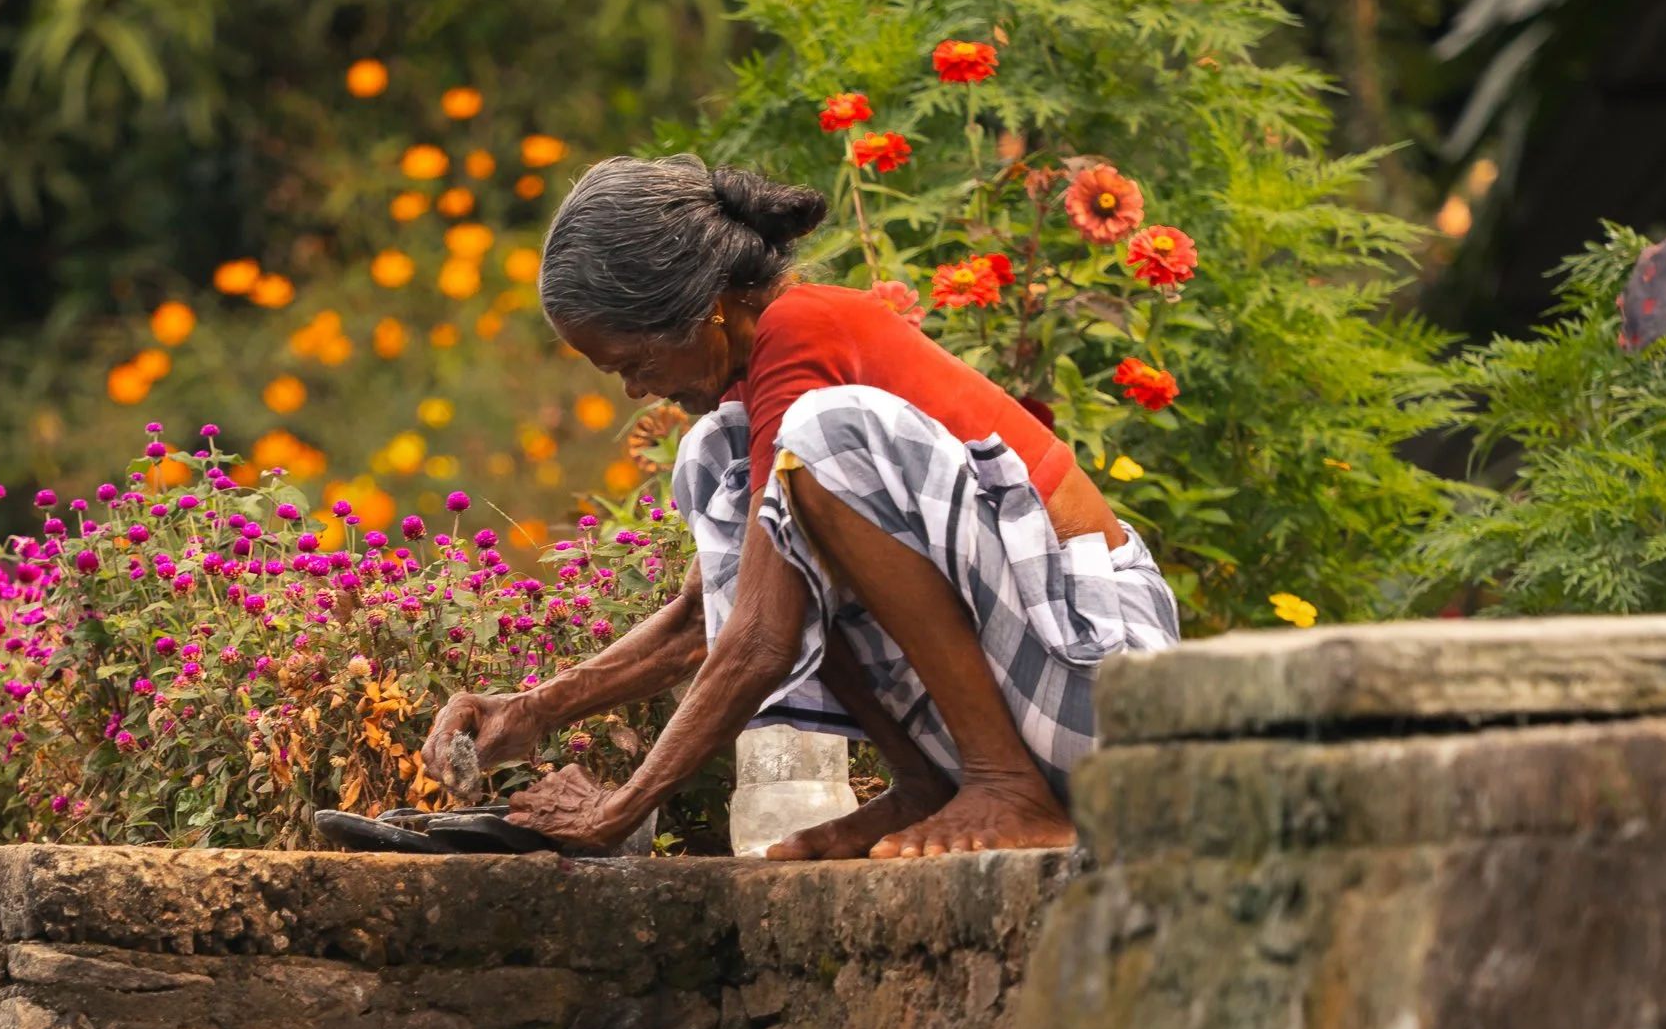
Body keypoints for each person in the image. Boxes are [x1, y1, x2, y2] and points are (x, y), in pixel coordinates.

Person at [421, 153, 1180, 857]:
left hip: (1107, 693)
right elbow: (701, 624)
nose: (636, 391)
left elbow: (758, 641)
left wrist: (614, 811)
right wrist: (533, 710)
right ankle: (929, 787)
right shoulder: (753, 395)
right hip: (1050, 707)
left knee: (827, 435)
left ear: (709, 310)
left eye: (637, 362)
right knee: (716, 455)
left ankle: (1005, 786)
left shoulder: (803, 335)